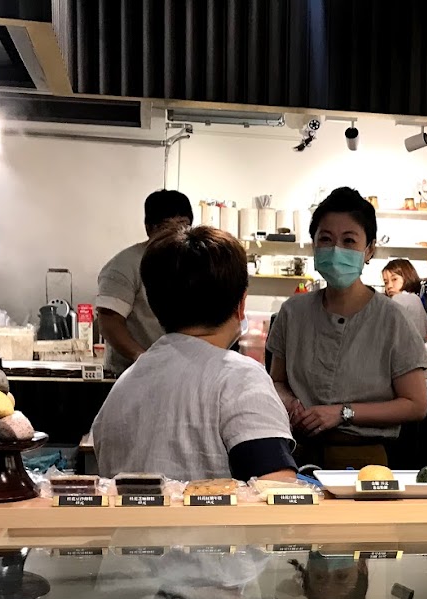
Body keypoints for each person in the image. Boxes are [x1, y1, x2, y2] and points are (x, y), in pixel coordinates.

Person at [91, 224, 297, 483]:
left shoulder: (124, 386)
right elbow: (276, 488)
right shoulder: (239, 378)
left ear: (155, 306)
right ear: (241, 304)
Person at [268, 187, 427, 469]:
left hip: (364, 462)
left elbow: (415, 404)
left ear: (369, 250)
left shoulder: (392, 319)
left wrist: (344, 413)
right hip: (297, 457)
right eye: (326, 239)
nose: (336, 249)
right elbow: (276, 382)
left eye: (349, 240)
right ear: (314, 245)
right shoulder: (292, 313)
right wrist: (291, 403)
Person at [95, 189, 194, 376]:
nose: (176, 233)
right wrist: (143, 358)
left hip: (181, 374)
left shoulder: (193, 264)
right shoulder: (125, 265)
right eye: (166, 226)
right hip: (132, 374)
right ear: (149, 228)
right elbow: (109, 322)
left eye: (183, 225)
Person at [381, 258, 427, 339]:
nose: (389, 286)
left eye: (394, 279)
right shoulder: (415, 299)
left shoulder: (400, 299)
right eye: (386, 282)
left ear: (407, 277)